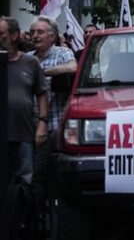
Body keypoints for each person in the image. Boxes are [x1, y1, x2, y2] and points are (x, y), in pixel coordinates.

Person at [28, 16, 78, 193]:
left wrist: (44, 73)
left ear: (52, 36)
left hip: (55, 124)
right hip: (29, 127)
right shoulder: (28, 58)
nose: (35, 36)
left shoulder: (62, 53)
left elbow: (73, 67)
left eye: (40, 32)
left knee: (38, 172)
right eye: (32, 32)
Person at [1, 17, 49, 185]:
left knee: (24, 182)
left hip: (23, 134)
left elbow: (42, 93)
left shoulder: (30, 62)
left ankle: (22, 210)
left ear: (14, 36)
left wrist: (43, 123)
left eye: (2, 35)